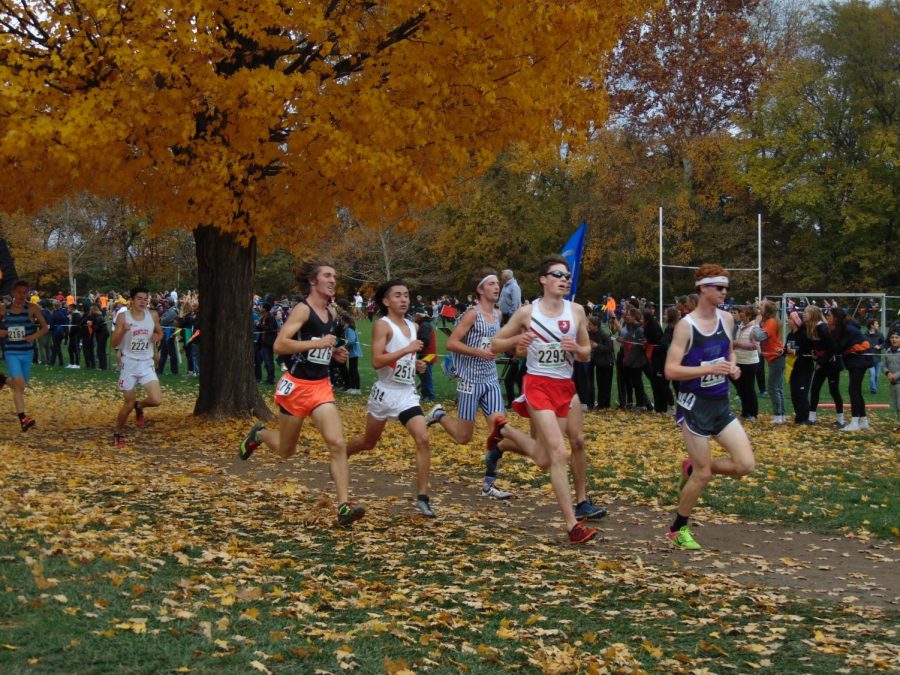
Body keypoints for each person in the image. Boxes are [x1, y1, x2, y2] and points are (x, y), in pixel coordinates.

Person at [239, 261, 364, 528]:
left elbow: (317, 350)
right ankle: (259, 435)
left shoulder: (330, 311)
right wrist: (318, 343)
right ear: (313, 281)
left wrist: (334, 354)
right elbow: (280, 345)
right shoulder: (302, 309)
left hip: (320, 388)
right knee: (286, 450)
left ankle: (343, 506)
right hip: (296, 388)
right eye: (327, 276)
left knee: (337, 443)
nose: (332, 280)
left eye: (334, 276)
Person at [489, 254, 599, 544]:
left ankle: (504, 430)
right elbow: (495, 342)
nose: (565, 279)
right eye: (558, 275)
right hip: (538, 384)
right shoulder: (528, 313)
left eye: (567, 276)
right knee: (560, 454)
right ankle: (572, 525)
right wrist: (516, 341)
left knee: (542, 457)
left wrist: (577, 347)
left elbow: (587, 352)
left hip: (564, 386)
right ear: (543, 280)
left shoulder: (576, 311)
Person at [664, 264, 755, 550]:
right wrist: (707, 370)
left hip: (720, 404)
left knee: (744, 465)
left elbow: (729, 351)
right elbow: (670, 371)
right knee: (703, 475)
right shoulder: (685, 326)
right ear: (703, 288)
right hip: (694, 408)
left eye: (726, 288)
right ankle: (678, 529)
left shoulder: (727, 319)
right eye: (719, 287)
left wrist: (733, 367)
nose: (724, 293)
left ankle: (694, 468)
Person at [346, 279, 436, 517]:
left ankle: (423, 497)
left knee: (423, 438)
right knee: (368, 442)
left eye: (406, 295)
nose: (404, 299)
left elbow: (402, 360)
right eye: (397, 295)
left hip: (406, 394)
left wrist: (415, 364)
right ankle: (341, 454)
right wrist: (407, 351)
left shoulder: (412, 326)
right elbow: (376, 361)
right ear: (386, 301)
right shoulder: (382, 326)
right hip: (384, 394)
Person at [424, 268, 514, 499]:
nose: (497, 287)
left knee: (498, 431)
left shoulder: (499, 314)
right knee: (464, 437)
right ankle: (439, 414)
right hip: (469, 380)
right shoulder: (472, 315)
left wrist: (513, 347)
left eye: (498, 284)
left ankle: (489, 484)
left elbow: (495, 343)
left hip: (490, 380)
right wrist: (477, 352)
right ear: (480, 289)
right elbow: (452, 343)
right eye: (492, 284)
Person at [111, 286, 163, 447]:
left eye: (145, 298)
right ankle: (118, 433)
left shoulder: (153, 315)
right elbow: (114, 343)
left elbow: (160, 332)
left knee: (156, 400)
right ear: (132, 300)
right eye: (139, 298)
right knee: (128, 403)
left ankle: (139, 406)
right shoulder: (123, 317)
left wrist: (157, 336)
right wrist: (122, 332)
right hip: (129, 364)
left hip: (146, 363)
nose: (143, 301)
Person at [0, 280, 49, 431]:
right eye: (19, 292)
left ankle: (2, 379)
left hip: (27, 352)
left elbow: (45, 327)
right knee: (20, 385)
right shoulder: (3, 309)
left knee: (19, 386)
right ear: (13, 293)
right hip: (11, 351)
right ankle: (23, 419)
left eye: (25, 292)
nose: (22, 295)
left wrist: (33, 336)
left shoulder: (32, 308)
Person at [831, 307, 871, 432]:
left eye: (829, 316)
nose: (828, 318)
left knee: (853, 390)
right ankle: (863, 421)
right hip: (856, 360)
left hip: (860, 360)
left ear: (836, 318)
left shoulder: (848, 329)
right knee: (857, 390)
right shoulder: (843, 328)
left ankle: (855, 422)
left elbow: (839, 347)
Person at [806, 306, 843, 427]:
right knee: (815, 389)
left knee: (834, 391)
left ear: (813, 314)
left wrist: (821, 362)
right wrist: (814, 355)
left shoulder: (822, 327)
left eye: (806, 312)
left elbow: (832, 347)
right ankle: (811, 418)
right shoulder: (812, 328)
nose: (803, 314)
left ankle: (841, 420)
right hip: (822, 364)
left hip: (832, 364)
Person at [758, 300, 786, 423]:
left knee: (773, 387)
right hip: (774, 357)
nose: (759, 307)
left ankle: (778, 415)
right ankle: (782, 414)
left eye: (762, 306)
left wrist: (755, 324)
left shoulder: (770, 322)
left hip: (776, 356)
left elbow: (759, 336)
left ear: (767, 309)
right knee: (778, 387)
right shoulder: (769, 321)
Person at [254, 303, 277, 385]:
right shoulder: (263, 317)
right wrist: (257, 324)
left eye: (261, 307)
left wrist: (259, 324)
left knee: (268, 361)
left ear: (264, 308)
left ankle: (271, 379)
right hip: (262, 342)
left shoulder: (270, 317)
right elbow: (260, 327)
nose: (260, 308)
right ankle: (259, 377)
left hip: (268, 343)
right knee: (259, 360)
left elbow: (270, 329)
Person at [883, 331, 900, 432]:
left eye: (897, 337)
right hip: (892, 383)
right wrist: (888, 373)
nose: (894, 339)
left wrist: (896, 375)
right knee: (896, 406)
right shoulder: (887, 351)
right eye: (892, 337)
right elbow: (883, 365)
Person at [866, 319, 885, 395]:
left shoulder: (880, 334)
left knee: (876, 376)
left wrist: (880, 346)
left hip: (878, 359)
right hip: (869, 360)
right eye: (876, 324)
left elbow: (884, 343)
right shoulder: (864, 335)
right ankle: (873, 391)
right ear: (872, 325)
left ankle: (873, 388)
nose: (878, 325)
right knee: (872, 375)